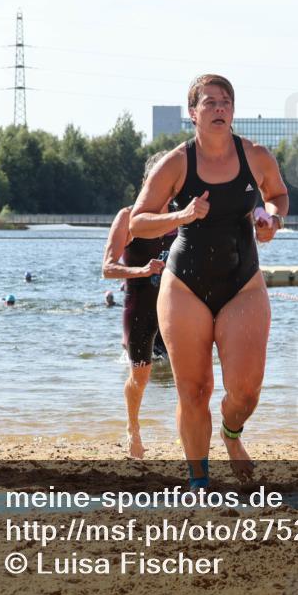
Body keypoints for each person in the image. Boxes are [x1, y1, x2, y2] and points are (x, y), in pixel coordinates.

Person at [130, 74, 288, 488]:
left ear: (233, 111)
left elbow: (278, 195)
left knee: (246, 391)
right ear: (193, 113)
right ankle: (199, 480)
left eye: (225, 102)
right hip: (185, 285)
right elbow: (138, 222)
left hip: (243, 284)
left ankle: (231, 433)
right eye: (210, 102)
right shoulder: (177, 162)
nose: (219, 108)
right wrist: (180, 216)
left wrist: (272, 218)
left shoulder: (254, 156)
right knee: (194, 388)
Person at [102, 152, 175, 459]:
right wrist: (142, 270)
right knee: (141, 375)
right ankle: (133, 428)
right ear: (147, 183)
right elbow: (108, 267)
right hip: (140, 305)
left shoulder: (179, 217)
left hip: (176, 308)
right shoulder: (128, 217)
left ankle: (189, 437)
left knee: (189, 375)